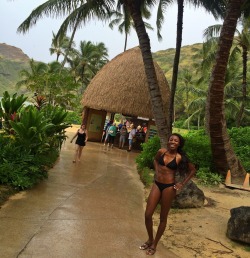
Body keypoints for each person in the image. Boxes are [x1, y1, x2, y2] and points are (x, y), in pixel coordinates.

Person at [139, 133, 196, 255]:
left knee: (163, 217)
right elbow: (155, 160)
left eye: (176, 141)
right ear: (168, 141)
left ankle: (154, 244)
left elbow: (192, 170)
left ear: (179, 143)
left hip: (169, 187)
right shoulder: (161, 152)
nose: (173, 142)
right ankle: (150, 239)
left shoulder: (180, 157)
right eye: (171, 140)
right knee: (148, 214)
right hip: (157, 184)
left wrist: (181, 184)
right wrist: (157, 170)